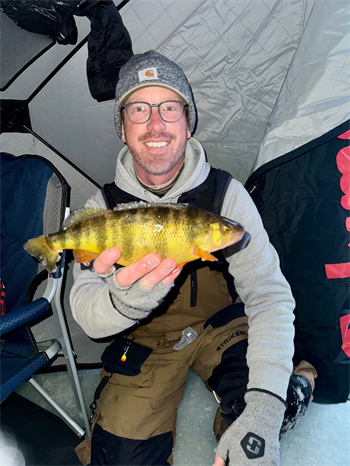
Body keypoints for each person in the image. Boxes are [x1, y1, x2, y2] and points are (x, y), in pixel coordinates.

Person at [70, 50, 317, 466]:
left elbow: (268, 294)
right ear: (122, 126)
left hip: (222, 328)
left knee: (259, 417)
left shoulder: (225, 197)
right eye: (138, 109)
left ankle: (296, 382)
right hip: (144, 340)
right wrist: (122, 300)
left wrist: (264, 409)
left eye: (169, 108)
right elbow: (86, 314)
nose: (155, 124)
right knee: (118, 458)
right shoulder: (102, 211)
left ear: (187, 122)